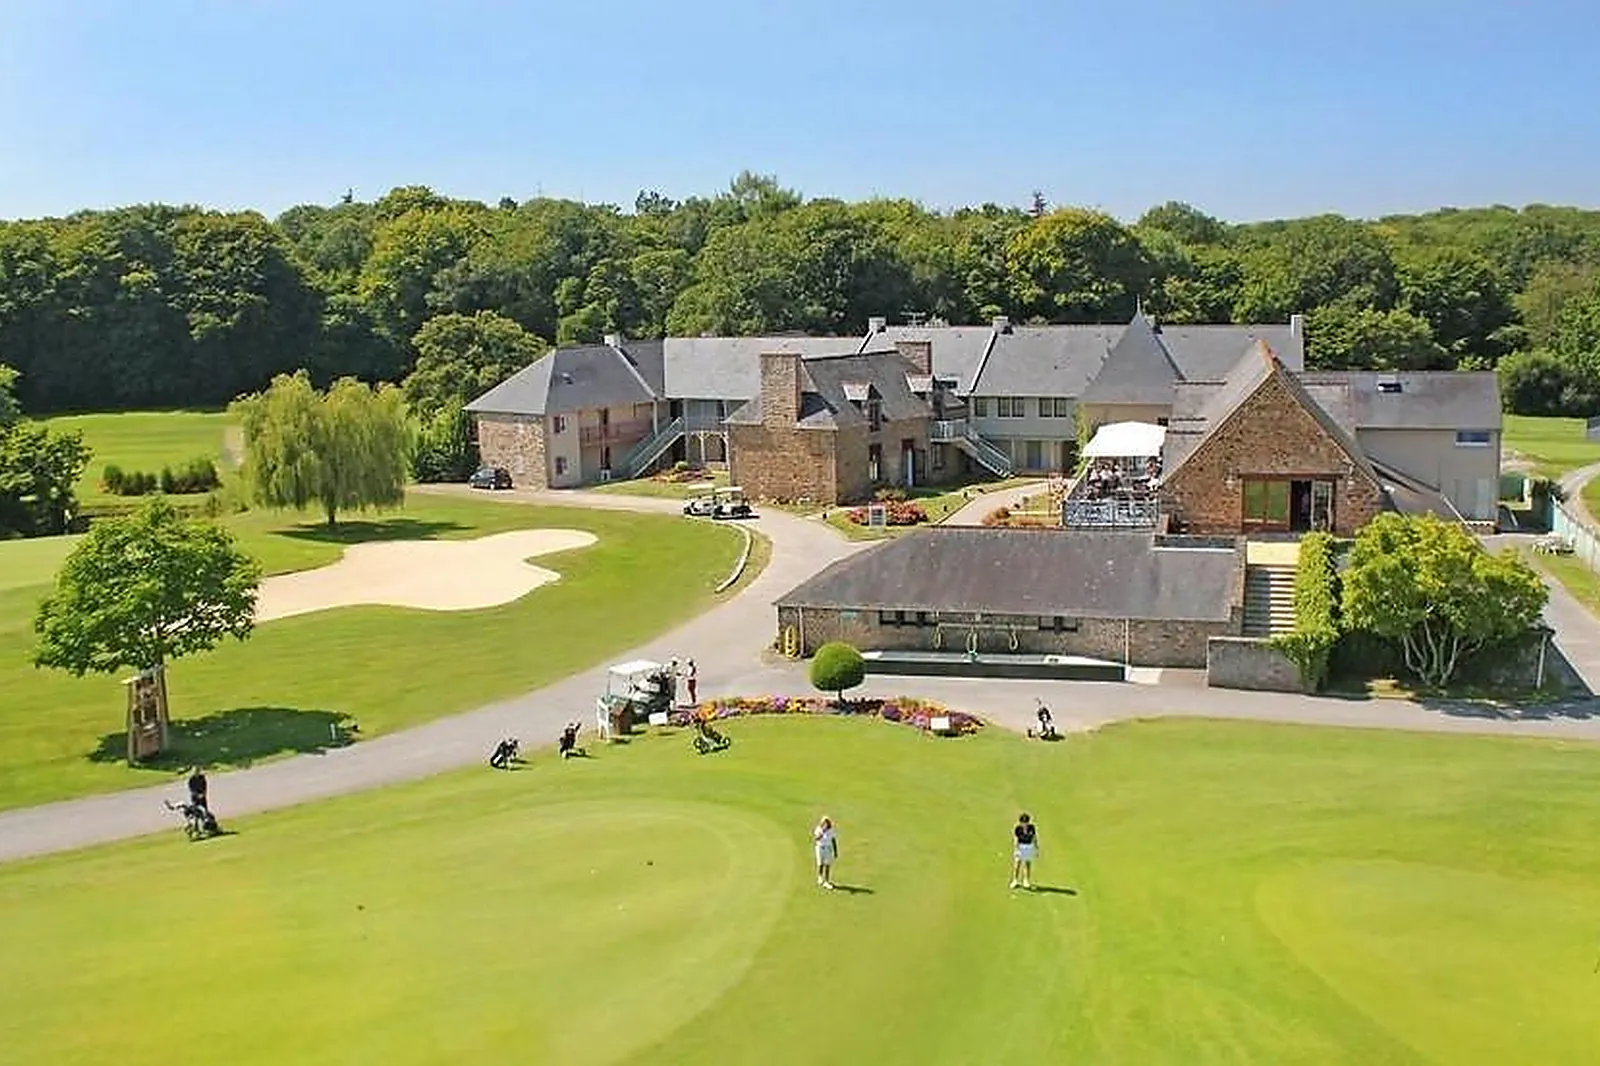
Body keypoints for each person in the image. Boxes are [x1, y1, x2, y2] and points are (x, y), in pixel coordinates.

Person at [1011, 813, 1038, 889]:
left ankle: (1026, 880)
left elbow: (1034, 837)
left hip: (1029, 846)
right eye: (1023, 822)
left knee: (1027, 863)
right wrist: (1016, 849)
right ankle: (1015, 880)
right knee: (1017, 863)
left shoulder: (1032, 827)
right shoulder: (1018, 829)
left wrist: (1036, 848)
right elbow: (1016, 839)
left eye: (1026, 822)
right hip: (1021, 846)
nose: (1024, 824)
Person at [813, 816, 838, 889]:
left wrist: (835, 851)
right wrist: (822, 832)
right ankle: (820, 877)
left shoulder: (831, 830)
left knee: (827, 865)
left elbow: (833, 841)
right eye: (824, 822)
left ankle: (826, 881)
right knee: (820, 864)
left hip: (828, 849)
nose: (825, 824)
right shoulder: (818, 829)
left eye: (826, 822)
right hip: (820, 848)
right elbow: (816, 838)